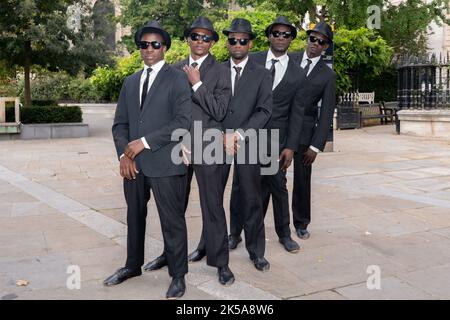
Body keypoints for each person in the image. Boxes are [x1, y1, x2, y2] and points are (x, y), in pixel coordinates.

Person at [143, 16, 234, 286]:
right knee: (173, 208)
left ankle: (221, 264)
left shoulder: (221, 71)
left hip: (209, 148)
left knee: (212, 207)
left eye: (206, 38)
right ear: (188, 39)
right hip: (178, 149)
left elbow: (218, 111)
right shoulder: (172, 69)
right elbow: (166, 113)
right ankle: (170, 255)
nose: (200, 42)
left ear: (213, 42)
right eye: (196, 36)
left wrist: (196, 83)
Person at [104, 20, 192, 299]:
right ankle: (132, 265)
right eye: (144, 44)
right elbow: (120, 125)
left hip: (166, 163)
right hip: (134, 166)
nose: (149, 49)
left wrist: (141, 143)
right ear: (139, 48)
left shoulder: (177, 78)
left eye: (155, 44)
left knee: (172, 220)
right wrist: (124, 154)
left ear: (164, 47)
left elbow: (183, 121)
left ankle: (178, 275)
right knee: (134, 216)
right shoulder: (130, 82)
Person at [228, 16, 306, 253]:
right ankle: (235, 233)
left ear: (291, 39)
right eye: (276, 33)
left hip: (276, 141)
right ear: (269, 36)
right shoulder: (253, 60)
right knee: (240, 187)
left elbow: (297, 113)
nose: (280, 38)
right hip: (247, 137)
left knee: (278, 188)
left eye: (286, 34)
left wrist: (291, 146)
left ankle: (284, 234)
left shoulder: (298, 73)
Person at [221, 18, 273, 271]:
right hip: (216, 143)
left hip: (247, 142)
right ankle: (230, 235)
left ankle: (256, 251)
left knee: (251, 197)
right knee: (217, 196)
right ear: (228, 42)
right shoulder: (216, 71)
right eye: (233, 40)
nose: (238, 44)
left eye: (243, 40)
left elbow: (264, 111)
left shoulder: (262, 74)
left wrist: (239, 134)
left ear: (250, 43)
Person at [289, 22, 336, 240]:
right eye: (312, 39)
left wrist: (316, 146)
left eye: (321, 42)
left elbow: (326, 114)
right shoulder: (288, 60)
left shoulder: (327, 76)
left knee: (302, 181)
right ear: (307, 39)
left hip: (305, 136)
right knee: (268, 179)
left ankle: (301, 223)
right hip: (280, 129)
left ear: (326, 47)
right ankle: (256, 222)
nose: (315, 44)